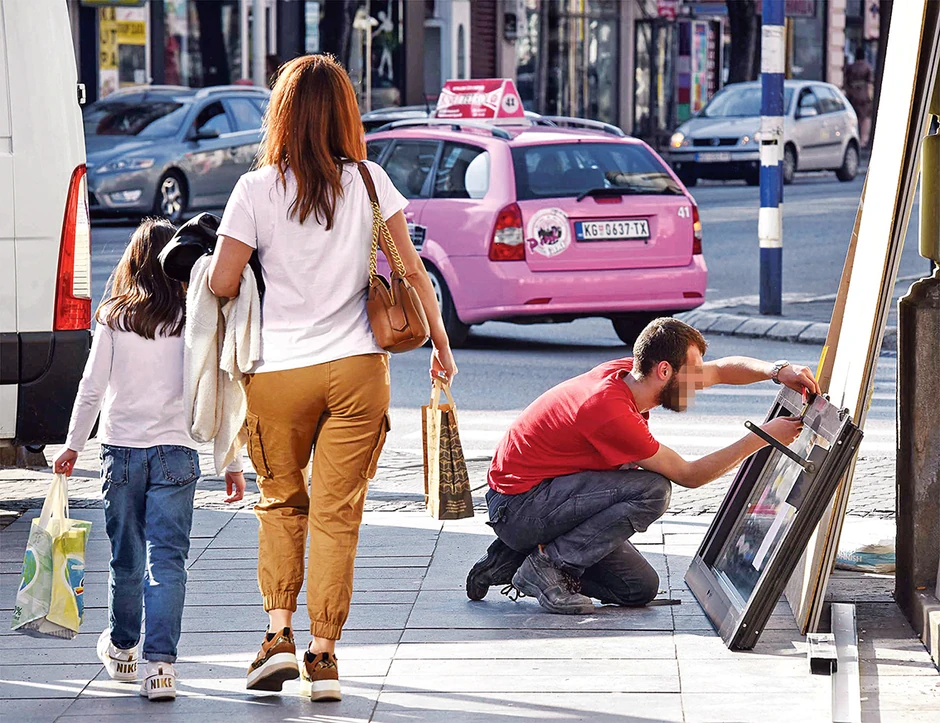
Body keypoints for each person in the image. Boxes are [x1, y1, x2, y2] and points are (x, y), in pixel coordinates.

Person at [208, 53, 457, 701]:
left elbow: (222, 282)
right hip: (357, 370)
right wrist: (443, 346)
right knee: (338, 512)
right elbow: (413, 271)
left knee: (282, 502)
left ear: (281, 115)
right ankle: (324, 656)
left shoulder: (255, 189)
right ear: (345, 113)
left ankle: (277, 637)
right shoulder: (371, 182)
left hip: (278, 372)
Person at [466, 317, 818, 615]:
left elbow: (722, 369)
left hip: (543, 497)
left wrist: (777, 371)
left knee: (639, 589)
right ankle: (546, 565)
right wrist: (762, 437)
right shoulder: (609, 409)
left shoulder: (635, 376)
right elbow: (689, 476)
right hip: (519, 507)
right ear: (664, 370)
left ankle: (513, 558)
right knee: (652, 490)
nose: (699, 384)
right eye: (693, 375)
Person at [53, 219, 247, 701]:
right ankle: (160, 667)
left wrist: (73, 444)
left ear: (133, 262)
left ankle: (122, 649)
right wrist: (232, 462)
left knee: (127, 559)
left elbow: (91, 388)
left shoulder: (115, 316)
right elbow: (221, 388)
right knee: (168, 561)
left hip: (119, 452)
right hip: (176, 454)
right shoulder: (193, 317)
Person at [845, 46, 874, 147]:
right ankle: (862, 140)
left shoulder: (850, 67)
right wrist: (870, 97)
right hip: (864, 97)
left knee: (853, 118)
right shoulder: (867, 67)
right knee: (864, 119)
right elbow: (870, 83)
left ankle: (854, 139)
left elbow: (846, 82)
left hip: (852, 96)